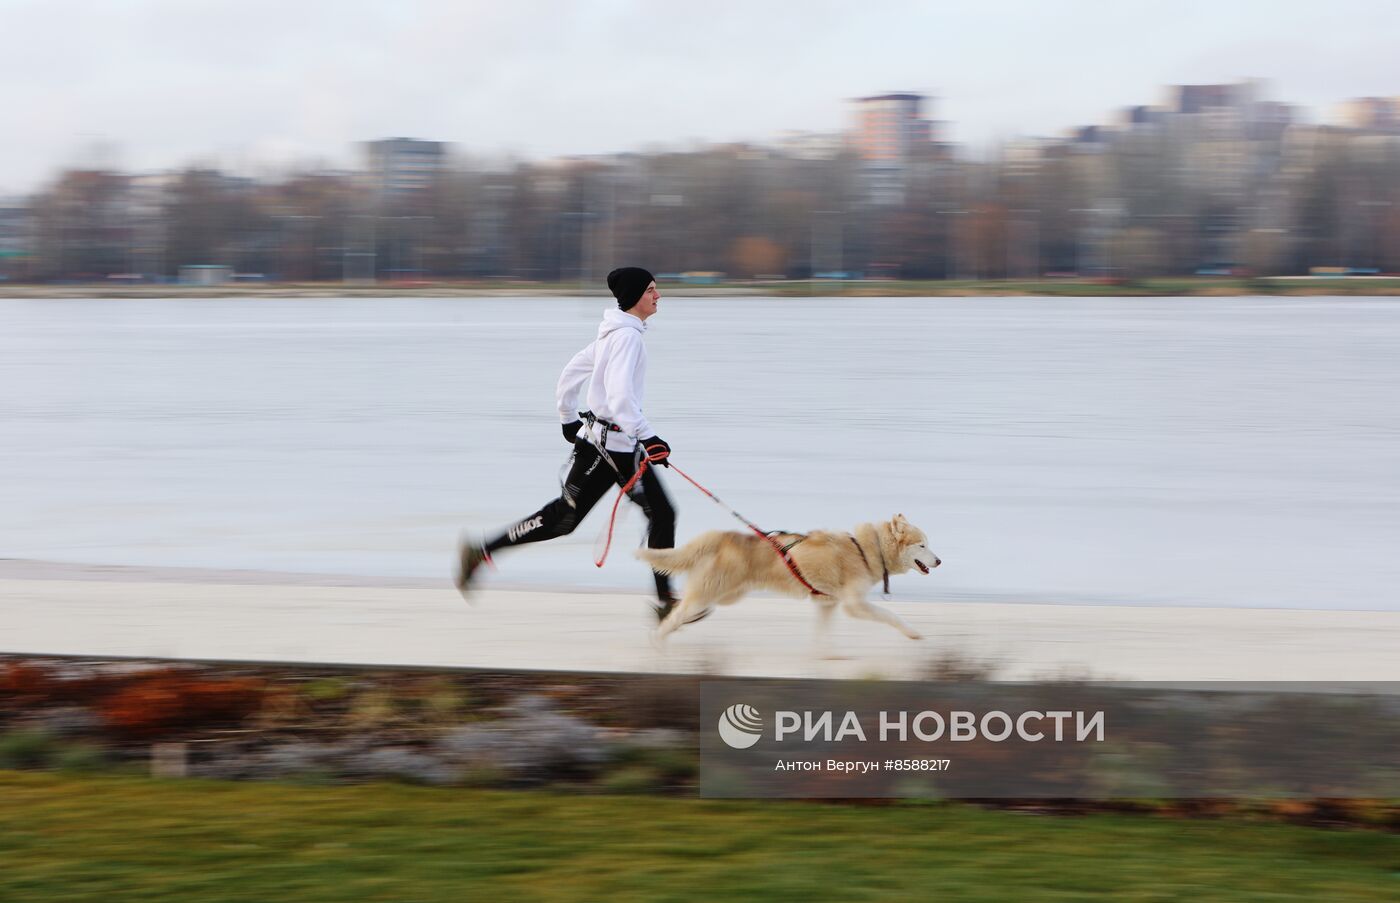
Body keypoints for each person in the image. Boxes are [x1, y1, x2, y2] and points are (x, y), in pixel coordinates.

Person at [456, 267, 704, 623]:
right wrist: (648, 436)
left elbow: (572, 371)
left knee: (660, 513)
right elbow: (619, 398)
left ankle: (666, 602)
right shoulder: (626, 337)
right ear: (636, 296)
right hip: (606, 449)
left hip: (616, 446)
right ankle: (480, 552)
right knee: (566, 519)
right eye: (651, 290)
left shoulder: (615, 332)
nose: (658, 295)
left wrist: (568, 417)